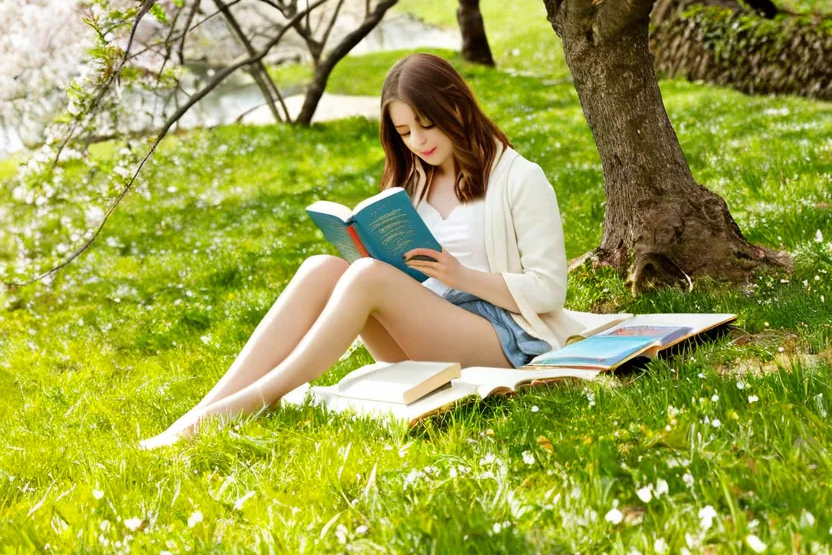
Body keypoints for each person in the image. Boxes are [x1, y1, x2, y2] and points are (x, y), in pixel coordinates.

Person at [139, 52, 574, 449]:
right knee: (321, 268)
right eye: (404, 132)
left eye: (427, 125)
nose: (418, 142)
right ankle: (203, 410)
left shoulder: (519, 178)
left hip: (503, 339)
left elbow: (549, 289)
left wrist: (458, 276)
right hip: (427, 332)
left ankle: (254, 401)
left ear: (456, 107)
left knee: (367, 276)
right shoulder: (414, 182)